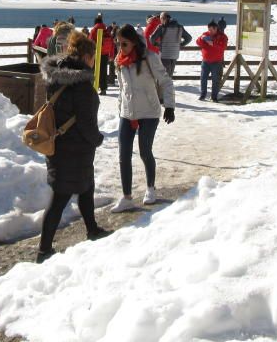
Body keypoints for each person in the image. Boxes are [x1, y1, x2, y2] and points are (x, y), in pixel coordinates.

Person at [36, 32, 110, 263]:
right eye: (93, 57)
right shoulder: (83, 88)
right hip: (76, 150)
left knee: (86, 187)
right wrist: (97, 139)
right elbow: (88, 125)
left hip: (58, 146)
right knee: (60, 198)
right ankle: (43, 250)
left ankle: (92, 229)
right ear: (87, 57)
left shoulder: (55, 78)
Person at [110, 25, 175, 212]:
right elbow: (122, 90)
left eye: (124, 44)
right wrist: (120, 109)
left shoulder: (149, 58)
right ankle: (127, 197)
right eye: (118, 43)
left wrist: (169, 106)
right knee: (123, 155)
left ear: (134, 42)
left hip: (149, 112)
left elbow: (165, 81)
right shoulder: (119, 61)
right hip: (127, 113)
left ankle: (150, 188)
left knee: (145, 151)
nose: (120, 47)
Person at [149, 12, 192, 78]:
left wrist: (157, 44)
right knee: (170, 75)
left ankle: (164, 87)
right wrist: (180, 45)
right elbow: (189, 38)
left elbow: (152, 39)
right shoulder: (179, 27)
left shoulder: (161, 27)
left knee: (164, 75)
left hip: (165, 54)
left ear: (163, 18)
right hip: (174, 54)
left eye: (161, 19)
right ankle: (169, 87)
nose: (160, 21)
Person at [196, 21, 228, 102]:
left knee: (216, 80)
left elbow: (223, 47)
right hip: (205, 61)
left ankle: (214, 97)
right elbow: (198, 42)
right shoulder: (205, 34)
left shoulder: (222, 36)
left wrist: (213, 44)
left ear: (216, 28)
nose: (209, 31)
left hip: (216, 62)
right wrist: (201, 38)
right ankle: (203, 95)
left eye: (211, 30)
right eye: (209, 29)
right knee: (203, 78)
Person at [88, 14, 115, 95]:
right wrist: (111, 55)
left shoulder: (94, 30)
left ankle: (93, 87)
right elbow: (112, 43)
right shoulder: (106, 30)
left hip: (96, 53)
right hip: (105, 53)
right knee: (103, 71)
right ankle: (103, 88)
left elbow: (90, 42)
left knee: (93, 70)